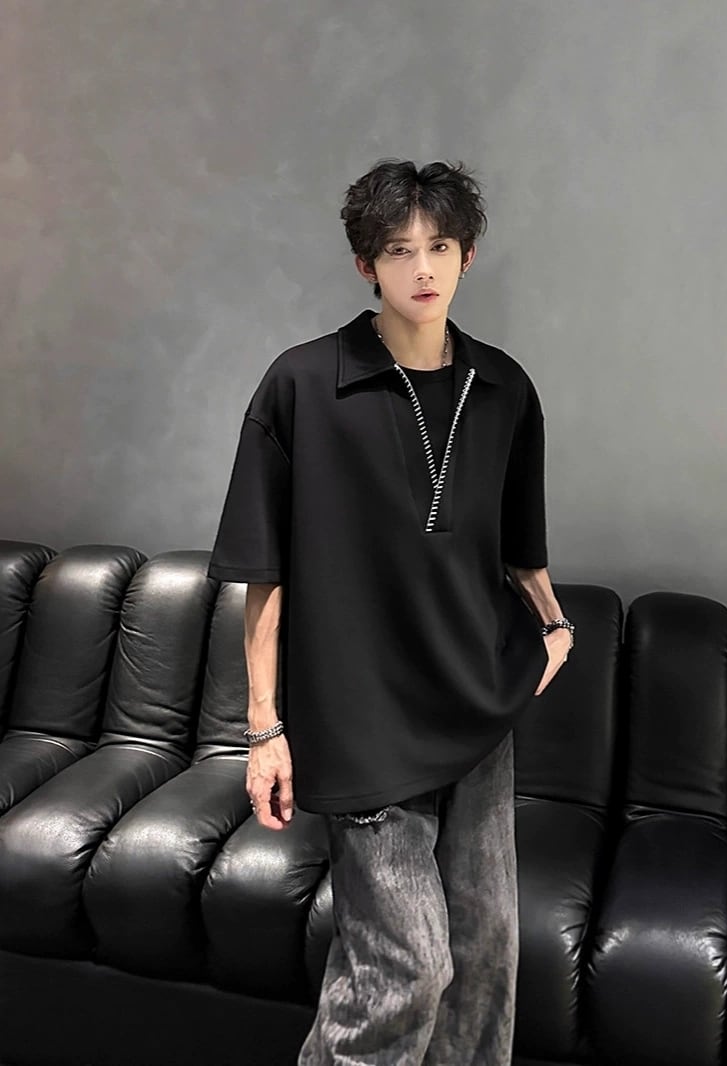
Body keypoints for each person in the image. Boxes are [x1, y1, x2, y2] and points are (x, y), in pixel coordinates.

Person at [207, 158, 574, 1065]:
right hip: (360, 716)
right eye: (398, 249)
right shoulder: (303, 385)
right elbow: (264, 573)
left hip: (475, 702)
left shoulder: (504, 389)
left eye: (439, 246)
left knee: (483, 961)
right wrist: (264, 728)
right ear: (364, 264)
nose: (422, 268)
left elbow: (517, 548)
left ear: (467, 256)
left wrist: (552, 622)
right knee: (404, 966)